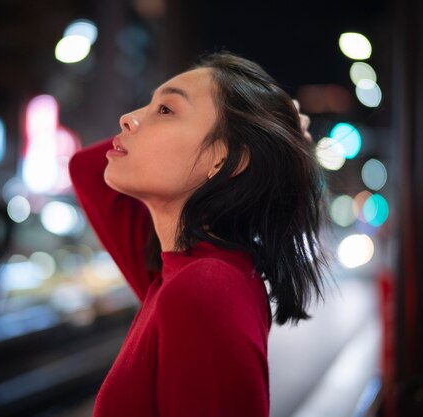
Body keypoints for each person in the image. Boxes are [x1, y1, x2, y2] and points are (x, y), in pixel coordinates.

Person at [69, 51, 327, 417]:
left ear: (224, 160)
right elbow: (86, 169)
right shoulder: (182, 274)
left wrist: (275, 136)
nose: (127, 119)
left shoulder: (204, 289)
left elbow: (86, 170)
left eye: (166, 110)